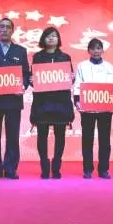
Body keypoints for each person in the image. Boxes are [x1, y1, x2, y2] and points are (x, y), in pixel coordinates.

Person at [0, 18, 30, 180]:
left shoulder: (20, 51)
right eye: (1, 27)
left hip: (13, 101)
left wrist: (23, 86)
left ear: (12, 31)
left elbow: (25, 74)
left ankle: (10, 169)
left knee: (12, 136)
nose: (4, 30)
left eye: (8, 27)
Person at [30, 27, 74, 179]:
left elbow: (70, 79)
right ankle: (44, 165)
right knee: (41, 135)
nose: (51, 38)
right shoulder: (37, 57)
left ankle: (56, 166)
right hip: (42, 102)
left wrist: (72, 78)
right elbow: (34, 79)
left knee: (60, 135)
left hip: (60, 102)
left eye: (54, 36)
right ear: (43, 39)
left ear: (58, 39)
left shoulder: (65, 57)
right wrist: (32, 80)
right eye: (48, 36)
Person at [73, 38, 113, 179]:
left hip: (105, 106)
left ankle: (103, 169)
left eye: (98, 48)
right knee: (87, 139)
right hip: (87, 107)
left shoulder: (109, 66)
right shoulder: (82, 66)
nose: (96, 51)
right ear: (88, 51)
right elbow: (78, 84)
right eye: (93, 48)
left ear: (102, 50)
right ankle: (87, 169)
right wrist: (77, 101)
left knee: (105, 139)